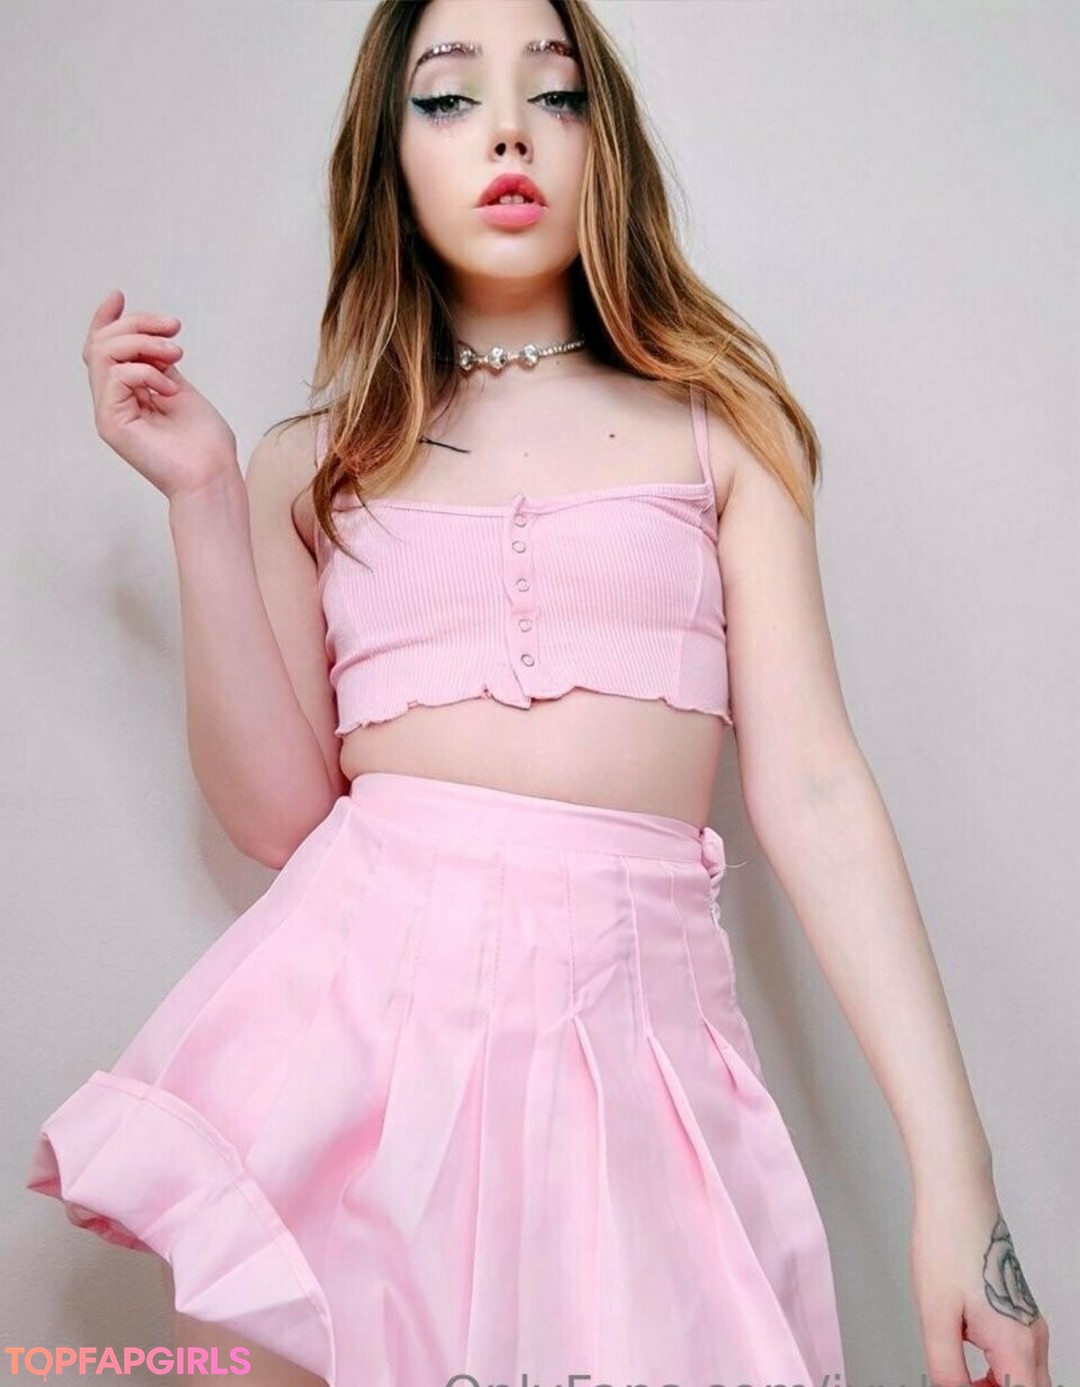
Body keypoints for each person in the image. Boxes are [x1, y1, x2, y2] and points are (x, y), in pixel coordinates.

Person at [27, 1, 1052, 1385]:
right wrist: (203, 494)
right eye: (448, 98)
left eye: (553, 94)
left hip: (636, 1066)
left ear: (600, 141)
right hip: (367, 1071)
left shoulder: (721, 428)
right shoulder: (314, 464)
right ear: (388, 157)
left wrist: (958, 1179)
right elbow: (280, 818)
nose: (506, 130)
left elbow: (816, 790)